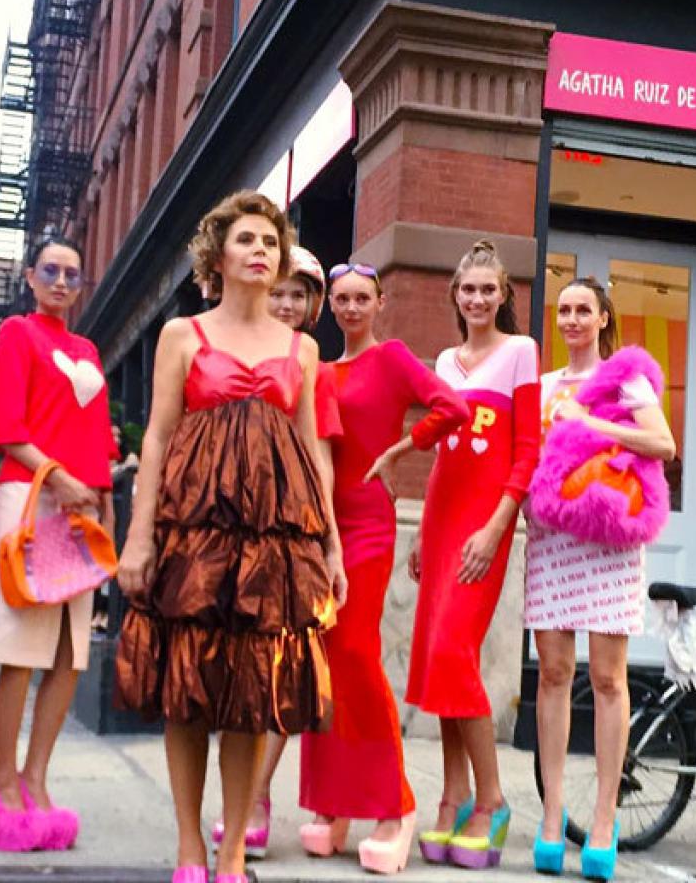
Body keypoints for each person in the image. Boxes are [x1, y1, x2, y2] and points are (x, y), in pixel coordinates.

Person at [114, 190, 347, 883]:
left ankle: (233, 850)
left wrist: (329, 547)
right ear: (218, 255)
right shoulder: (183, 336)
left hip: (271, 543)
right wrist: (139, 538)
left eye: (270, 243)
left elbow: (310, 451)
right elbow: (156, 438)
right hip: (193, 533)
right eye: (247, 240)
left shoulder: (303, 350)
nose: (260, 252)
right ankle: (190, 848)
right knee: (186, 687)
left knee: (254, 696)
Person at [304, 261, 470, 874]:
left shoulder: (394, 356)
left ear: (380, 302)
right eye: (341, 299)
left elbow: (450, 406)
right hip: (322, 525)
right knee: (325, 664)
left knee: (356, 655)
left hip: (371, 524)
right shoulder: (321, 370)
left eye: (360, 299)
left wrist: (406, 445)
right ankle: (333, 804)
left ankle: (395, 806)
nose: (350, 308)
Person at [0, 239, 118, 852]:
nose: (61, 281)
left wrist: (104, 509)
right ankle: (3, 782)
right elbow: (0, 426)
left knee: (68, 653)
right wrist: (58, 477)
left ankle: (36, 777)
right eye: (50, 271)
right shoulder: (17, 334)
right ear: (30, 277)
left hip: (82, 514)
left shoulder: (87, 349)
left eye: (72, 274)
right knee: (21, 648)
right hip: (31, 502)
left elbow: (99, 446)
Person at [524, 277, 675, 881]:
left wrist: (593, 425)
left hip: (610, 541)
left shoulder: (622, 379)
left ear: (603, 316)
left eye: (583, 309)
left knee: (609, 679)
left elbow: (662, 443)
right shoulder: (540, 388)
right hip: (553, 539)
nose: (572, 319)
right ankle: (553, 811)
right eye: (563, 310)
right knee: (554, 674)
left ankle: (605, 817)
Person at [408, 240, 540, 871]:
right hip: (438, 519)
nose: (478, 299)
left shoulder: (521, 352)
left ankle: (491, 800)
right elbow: (439, 450)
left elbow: (527, 451)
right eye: (469, 290)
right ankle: (453, 792)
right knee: (436, 660)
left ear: (504, 296)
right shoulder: (443, 359)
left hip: (484, 521)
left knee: (455, 653)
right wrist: (416, 532)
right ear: (455, 296)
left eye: (489, 289)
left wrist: (497, 528)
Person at [214, 245, 343, 860]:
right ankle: (239, 799)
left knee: (277, 664)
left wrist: (328, 539)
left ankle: (258, 797)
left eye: (300, 295)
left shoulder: (314, 365)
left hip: (288, 527)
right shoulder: (223, 343)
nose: (288, 304)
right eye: (281, 293)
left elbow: (321, 457)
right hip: (223, 523)